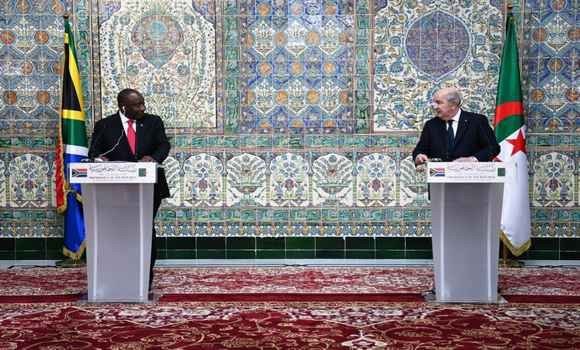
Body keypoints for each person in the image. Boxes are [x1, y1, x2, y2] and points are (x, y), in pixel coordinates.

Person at [88, 88, 170, 292]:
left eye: (142, 103)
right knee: (116, 231)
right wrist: (100, 159)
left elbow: (163, 145)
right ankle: (113, 277)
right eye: (137, 105)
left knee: (145, 229)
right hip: (114, 190)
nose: (143, 107)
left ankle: (144, 279)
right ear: (123, 107)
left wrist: (153, 158)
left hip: (149, 187)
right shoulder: (105, 125)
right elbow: (94, 152)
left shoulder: (153, 121)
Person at [413, 87, 500, 165]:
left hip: (471, 177)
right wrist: (419, 156)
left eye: (439, 103)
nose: (434, 106)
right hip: (439, 178)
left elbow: (493, 148)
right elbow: (420, 150)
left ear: (453, 105)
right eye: (434, 103)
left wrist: (473, 159)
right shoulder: (431, 125)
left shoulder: (477, 121)